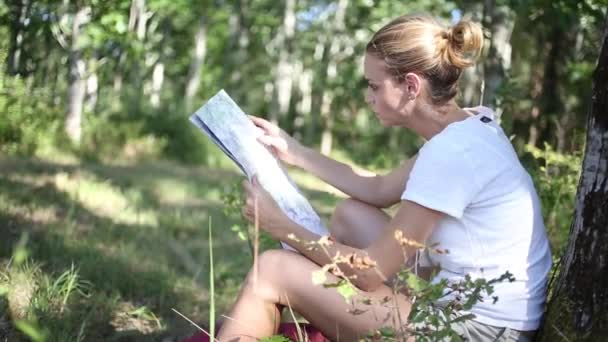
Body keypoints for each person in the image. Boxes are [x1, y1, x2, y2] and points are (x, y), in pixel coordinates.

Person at [216, 13, 552, 342]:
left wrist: (279, 225)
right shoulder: (472, 126)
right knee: (351, 214)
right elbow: (377, 189)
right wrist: (294, 151)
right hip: (481, 310)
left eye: (375, 86)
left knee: (272, 269)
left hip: (475, 331)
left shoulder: (450, 155)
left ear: (410, 85)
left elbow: (369, 271)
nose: (368, 97)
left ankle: (291, 296)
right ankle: (317, 301)